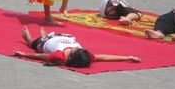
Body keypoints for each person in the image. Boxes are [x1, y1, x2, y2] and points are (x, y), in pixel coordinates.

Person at [13, 27, 141, 68]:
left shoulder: (59, 56)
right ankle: (47, 35)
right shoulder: (85, 55)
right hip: (63, 37)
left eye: (78, 49)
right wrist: (127, 57)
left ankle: (28, 37)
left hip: (43, 43)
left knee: (34, 43)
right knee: (55, 35)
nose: (79, 48)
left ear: (73, 55)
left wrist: (23, 54)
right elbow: (104, 57)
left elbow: (40, 56)